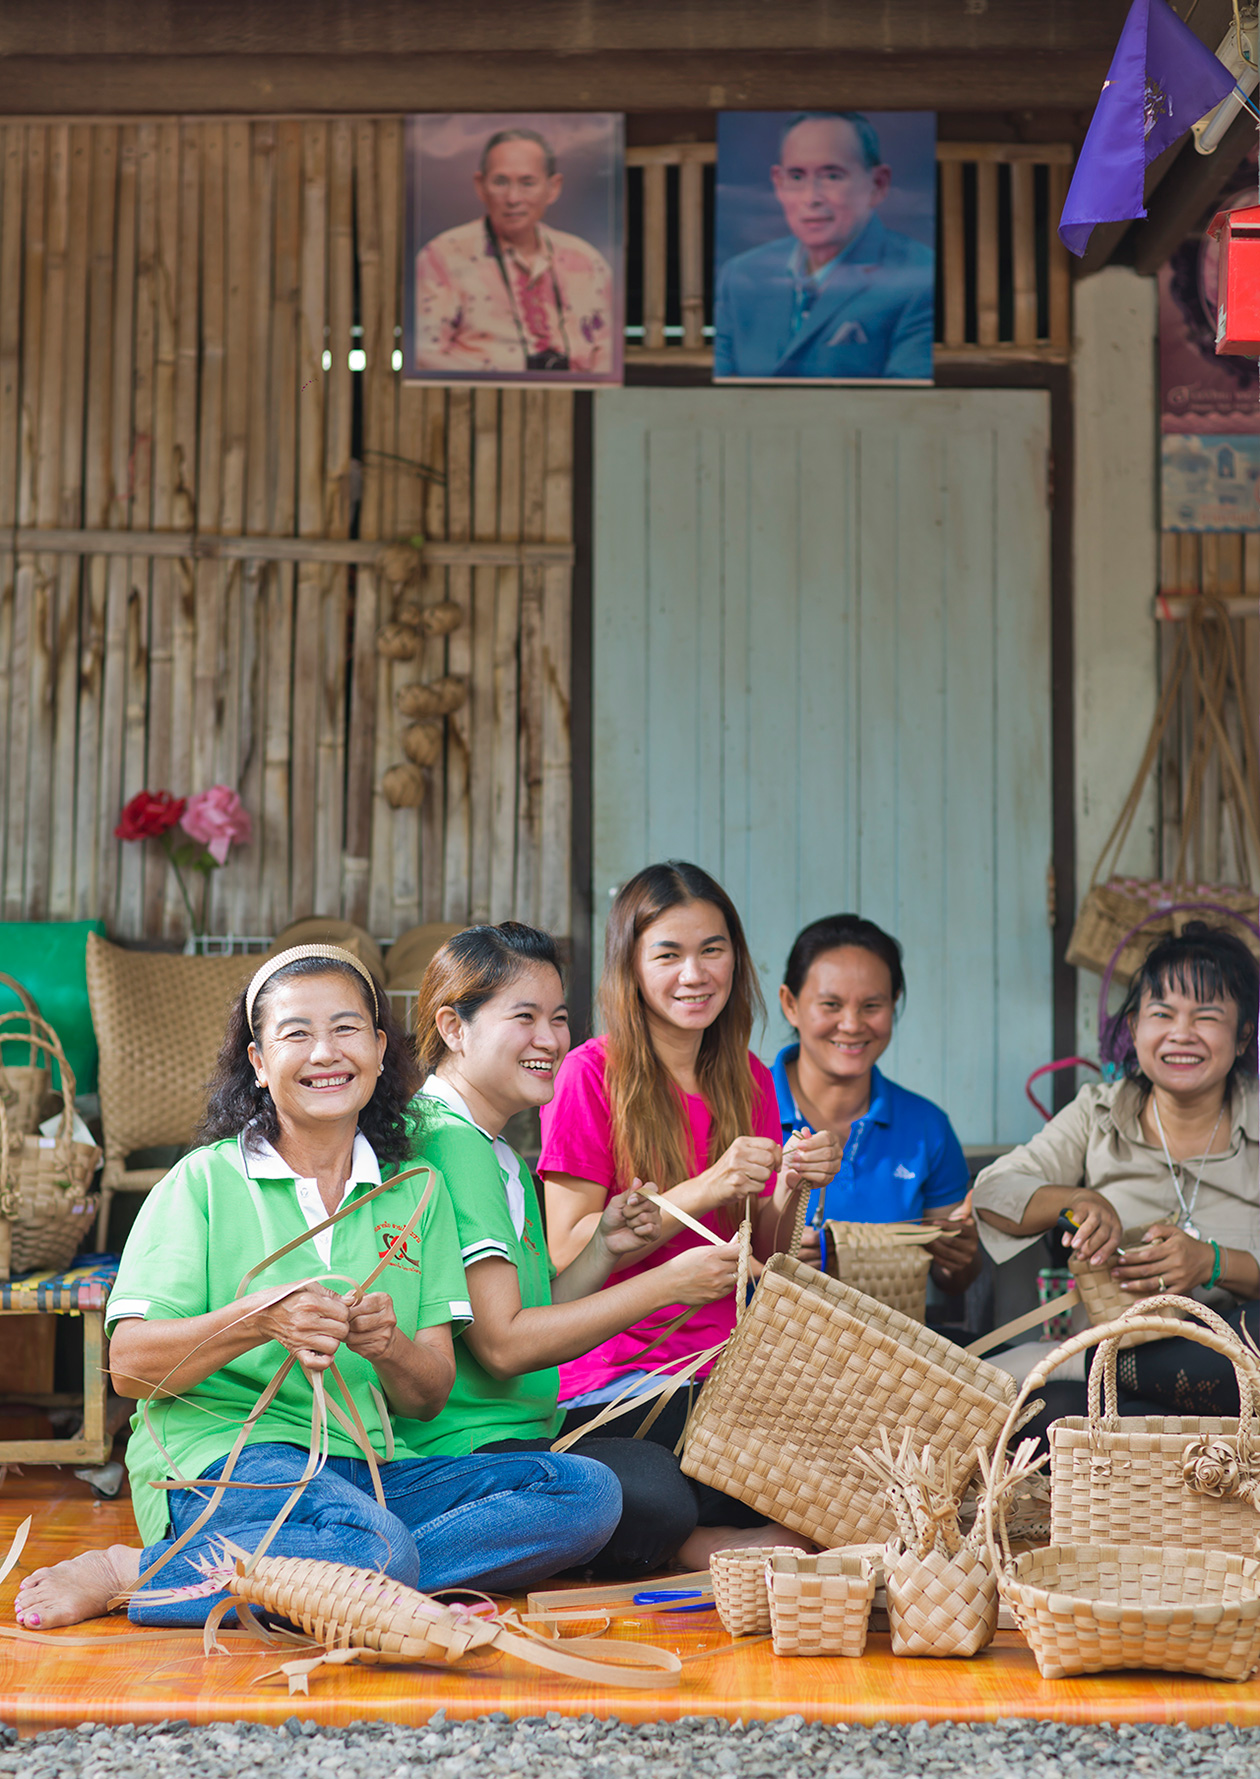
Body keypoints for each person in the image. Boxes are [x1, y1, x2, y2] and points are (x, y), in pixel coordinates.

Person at [15, 943, 619, 1632]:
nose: (326, 1052)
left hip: (370, 1466)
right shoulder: (204, 1180)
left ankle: (329, 1574)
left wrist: (388, 1343)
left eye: (346, 1028)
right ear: (259, 1062)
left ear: (380, 1047)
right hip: (232, 1462)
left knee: (585, 1492)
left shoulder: (413, 1193)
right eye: (296, 1033)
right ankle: (140, 1569)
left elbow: (428, 1394)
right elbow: (129, 1367)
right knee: (376, 1544)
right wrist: (258, 1317)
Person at [404, 920, 749, 1576]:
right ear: (453, 1027)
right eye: (525, 1016)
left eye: (559, 1017)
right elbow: (505, 1346)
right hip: (460, 1449)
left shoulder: (486, 1144)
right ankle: (698, 1555)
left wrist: (607, 1249)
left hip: (515, 1431)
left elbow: (524, 1309)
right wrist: (666, 1283)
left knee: (666, 1471)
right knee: (649, 1490)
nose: (550, 1039)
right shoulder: (451, 1143)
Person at [540, 861, 837, 1562]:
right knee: (657, 1491)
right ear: (632, 967)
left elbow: (767, 1247)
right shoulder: (589, 1073)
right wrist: (706, 1183)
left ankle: (725, 1534)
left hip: (729, 1365)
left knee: (835, 1458)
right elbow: (568, 1246)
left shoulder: (749, 1075)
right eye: (667, 954)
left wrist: (793, 1182)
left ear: (736, 955)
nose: (694, 973)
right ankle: (706, 1547)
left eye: (712, 949)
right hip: (616, 1375)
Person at [973, 922, 1259, 1418]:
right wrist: (1079, 1201)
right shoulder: (1096, 1114)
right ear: (1133, 1029)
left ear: (1242, 1037)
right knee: (1048, 1419)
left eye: (1206, 1017)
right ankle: (1101, 1373)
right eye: (1161, 1013)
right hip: (1117, 1383)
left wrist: (1214, 1263)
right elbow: (993, 1194)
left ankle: (1074, 1364)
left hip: (1238, 1380)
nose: (1181, 1034)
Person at [772, 914, 980, 1295]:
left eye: (872, 1006)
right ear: (790, 1004)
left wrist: (960, 1255)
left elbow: (953, 1279)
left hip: (887, 1350)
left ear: (894, 1002)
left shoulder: (926, 1127)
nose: (851, 1025)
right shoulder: (741, 1105)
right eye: (831, 1004)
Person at [714, 111, 934, 382]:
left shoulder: (921, 275)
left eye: (832, 176)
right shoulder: (740, 274)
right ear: (778, 184)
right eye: (796, 177)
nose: (811, 198)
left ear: (878, 184)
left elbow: (910, 407)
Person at [413, 126, 614, 377]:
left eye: (527, 183)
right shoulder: (441, 256)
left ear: (553, 188)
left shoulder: (586, 259)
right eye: (501, 182)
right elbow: (423, 354)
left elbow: (607, 350)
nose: (513, 198)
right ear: (480, 186)